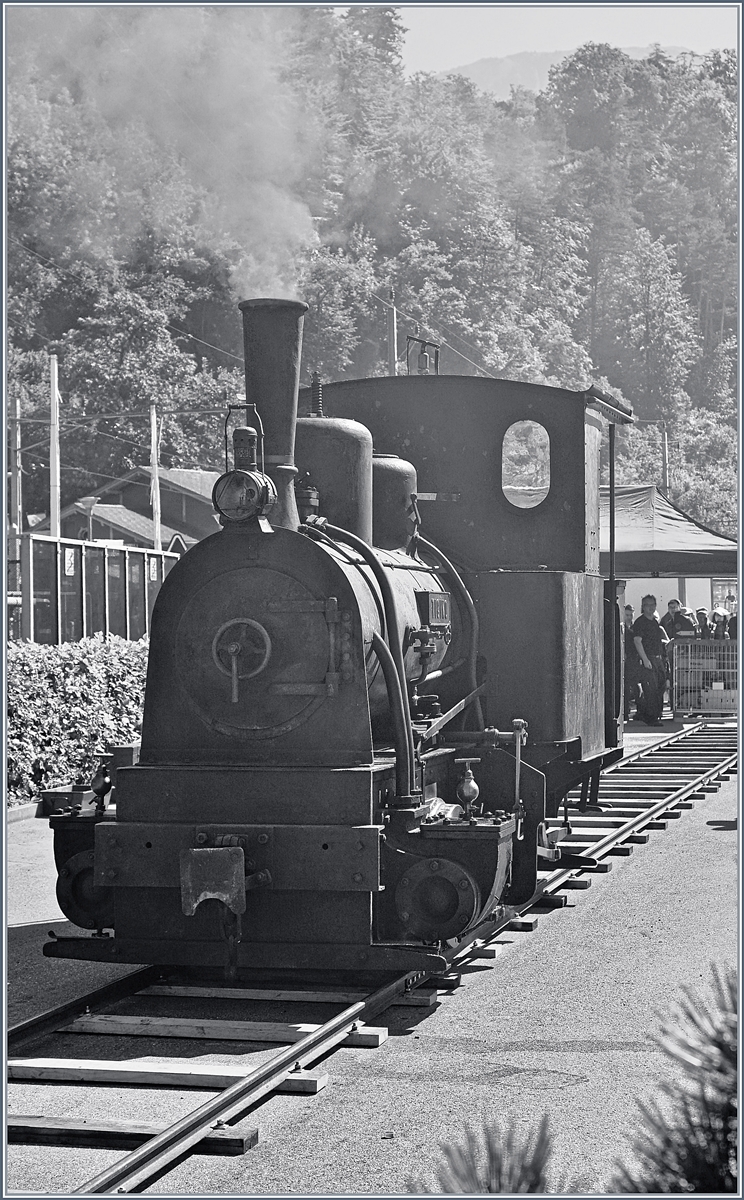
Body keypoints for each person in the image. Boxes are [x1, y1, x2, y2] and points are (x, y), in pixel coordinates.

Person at [631, 594, 669, 726]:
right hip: (648, 659)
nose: (651, 608)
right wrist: (645, 660)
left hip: (658, 659)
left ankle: (649, 713)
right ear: (643, 607)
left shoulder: (654, 622)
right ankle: (651, 717)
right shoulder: (640, 622)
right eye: (648, 605)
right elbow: (637, 641)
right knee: (650, 689)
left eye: (653, 605)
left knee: (660, 686)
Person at [660, 600, 696, 704]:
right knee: (672, 678)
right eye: (671, 607)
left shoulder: (686, 621)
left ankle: (683, 703)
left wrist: (676, 641)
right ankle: (673, 704)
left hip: (685, 655)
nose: (673, 609)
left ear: (680, 607)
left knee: (684, 679)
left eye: (675, 607)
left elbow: (691, 634)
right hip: (670, 655)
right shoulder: (666, 623)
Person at [623, 604, 641, 721]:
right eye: (627, 615)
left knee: (636, 687)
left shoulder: (635, 628)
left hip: (635, 659)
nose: (629, 617)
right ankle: (625, 711)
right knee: (625, 687)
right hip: (625, 659)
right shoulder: (622, 628)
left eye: (631, 615)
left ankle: (639, 711)